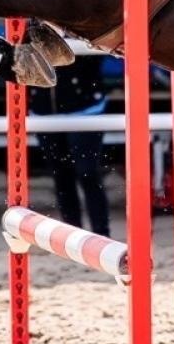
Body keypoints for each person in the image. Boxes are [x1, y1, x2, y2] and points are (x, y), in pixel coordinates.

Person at [29, 56, 112, 237]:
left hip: (85, 106)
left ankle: (101, 234)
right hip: (44, 110)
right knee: (61, 174)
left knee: (87, 172)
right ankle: (72, 234)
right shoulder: (29, 27)